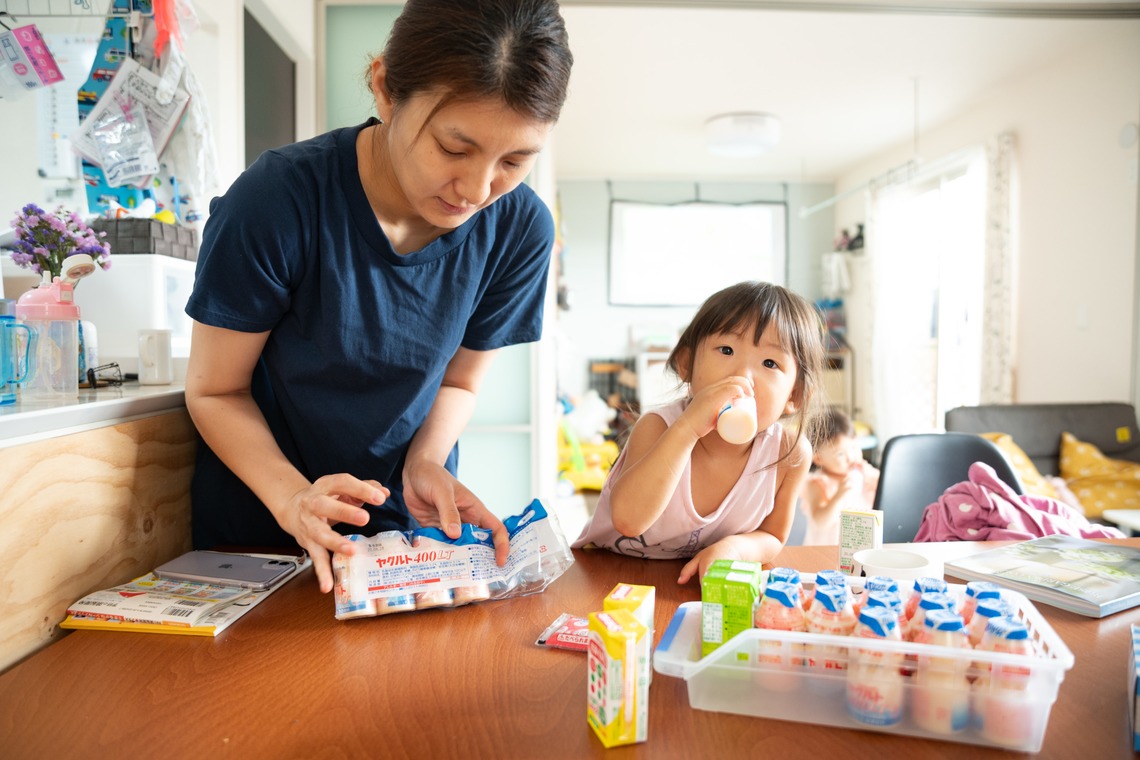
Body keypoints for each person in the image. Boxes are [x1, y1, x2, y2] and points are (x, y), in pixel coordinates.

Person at [183, 0, 573, 593]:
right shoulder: (277, 200)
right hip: (261, 539)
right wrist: (293, 499)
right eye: (453, 148)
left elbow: (461, 382)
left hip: (405, 543)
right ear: (386, 88)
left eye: (514, 161)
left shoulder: (519, 229)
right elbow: (216, 390)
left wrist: (425, 462)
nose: (477, 189)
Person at [572, 281, 826, 584]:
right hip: (611, 575)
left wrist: (734, 548)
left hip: (696, 584)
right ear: (686, 364)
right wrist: (689, 427)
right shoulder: (658, 427)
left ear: (794, 395)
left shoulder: (789, 454)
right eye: (726, 350)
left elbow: (772, 536)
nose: (742, 376)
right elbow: (628, 521)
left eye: (770, 363)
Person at [798, 407, 880, 545]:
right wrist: (838, 495)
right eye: (841, 454)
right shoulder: (818, 482)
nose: (850, 457)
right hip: (824, 551)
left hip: (855, 548)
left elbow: (884, 491)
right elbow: (820, 521)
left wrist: (871, 477)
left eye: (854, 447)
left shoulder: (861, 473)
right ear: (818, 458)